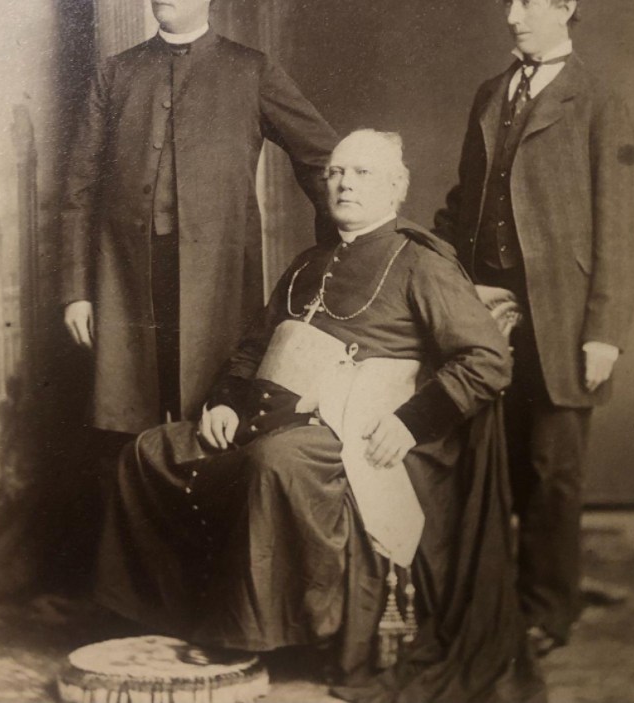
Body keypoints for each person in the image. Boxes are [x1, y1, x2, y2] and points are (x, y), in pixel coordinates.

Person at [96, 129, 544, 703]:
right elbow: (251, 348)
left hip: (352, 429)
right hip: (265, 414)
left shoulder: (421, 261)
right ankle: (160, 618)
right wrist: (226, 400)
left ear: (395, 188)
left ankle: (253, 634)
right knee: (151, 451)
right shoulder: (309, 261)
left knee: (278, 462)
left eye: (361, 173)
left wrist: (410, 422)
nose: (344, 183)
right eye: (336, 172)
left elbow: (485, 360)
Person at [433, 0, 634, 655]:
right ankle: (493, 596)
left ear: (565, 5)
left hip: (563, 322)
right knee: (495, 463)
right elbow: (465, 205)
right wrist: (447, 280)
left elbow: (624, 229)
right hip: (489, 318)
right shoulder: (490, 93)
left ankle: (548, 610)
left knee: (555, 470)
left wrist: (604, 333)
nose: (512, 16)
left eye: (526, 2)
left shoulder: (596, 99)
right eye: (506, 2)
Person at [61, 0, 337, 434]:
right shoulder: (115, 74)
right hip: (126, 280)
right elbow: (78, 191)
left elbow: (322, 157)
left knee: (213, 424)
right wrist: (76, 290)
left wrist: (342, 250)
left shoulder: (250, 71)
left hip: (218, 283)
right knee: (130, 427)